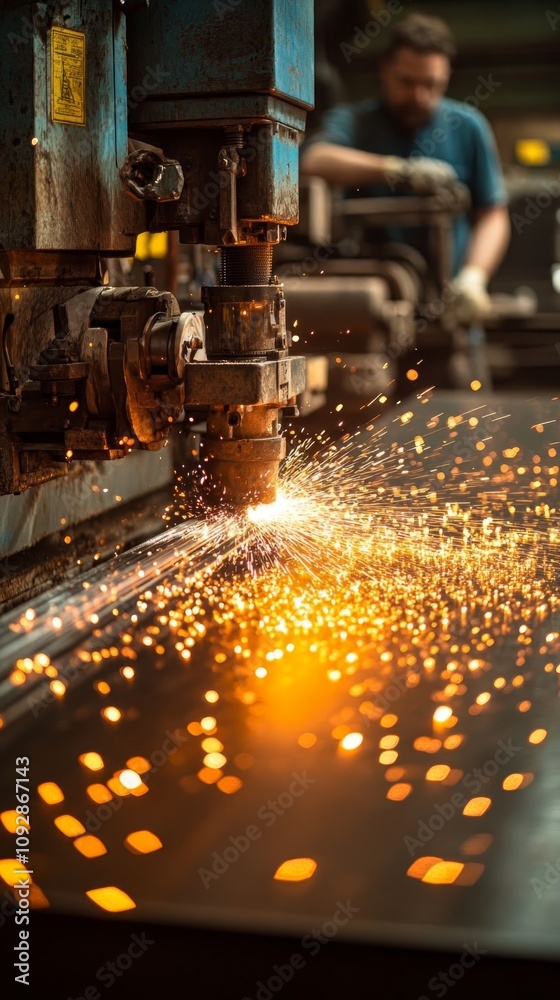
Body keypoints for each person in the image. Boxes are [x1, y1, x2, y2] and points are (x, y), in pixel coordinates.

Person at [300, 13, 511, 384]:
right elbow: (314, 159)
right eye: (407, 82)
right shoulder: (357, 123)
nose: (419, 96)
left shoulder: (468, 127)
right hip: (373, 326)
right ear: (385, 70)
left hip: (453, 328)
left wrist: (474, 278)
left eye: (432, 84)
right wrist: (397, 169)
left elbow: (493, 214)